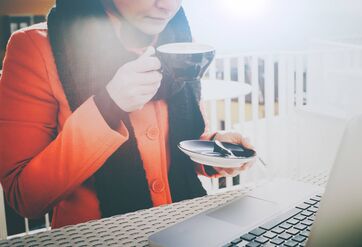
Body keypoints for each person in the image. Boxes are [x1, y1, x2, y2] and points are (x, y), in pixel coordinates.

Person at [0, 0, 254, 228]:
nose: (167, 5)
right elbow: (24, 198)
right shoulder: (36, 47)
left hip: (188, 229)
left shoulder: (178, 41)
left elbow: (173, 151)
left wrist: (216, 149)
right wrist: (107, 106)